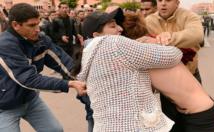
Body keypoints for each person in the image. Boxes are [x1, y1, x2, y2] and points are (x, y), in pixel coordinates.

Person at [76, 9, 183, 131]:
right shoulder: (113, 43)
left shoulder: (88, 54)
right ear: (96, 35)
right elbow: (173, 56)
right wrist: (156, 43)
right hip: (134, 126)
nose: (120, 28)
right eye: (112, 26)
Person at [122, 12, 214, 132]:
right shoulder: (151, 53)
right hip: (196, 111)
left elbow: (196, 36)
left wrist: (166, 39)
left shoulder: (148, 56)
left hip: (202, 118)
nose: (163, 3)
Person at [0, 3, 86, 132]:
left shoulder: (40, 39)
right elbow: (28, 79)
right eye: (31, 25)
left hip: (30, 99)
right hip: (5, 106)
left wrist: (83, 78)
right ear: (15, 25)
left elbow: (63, 62)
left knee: (54, 130)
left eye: (38, 23)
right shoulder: (5, 45)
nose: (37, 29)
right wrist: (69, 83)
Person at [145, 0, 204, 131]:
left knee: (193, 117)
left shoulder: (189, 16)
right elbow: (138, 40)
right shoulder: (149, 20)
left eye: (168, 0)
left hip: (190, 77)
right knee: (169, 122)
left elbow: (197, 35)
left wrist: (170, 37)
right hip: (164, 83)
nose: (163, 4)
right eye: (160, 0)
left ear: (177, 3)